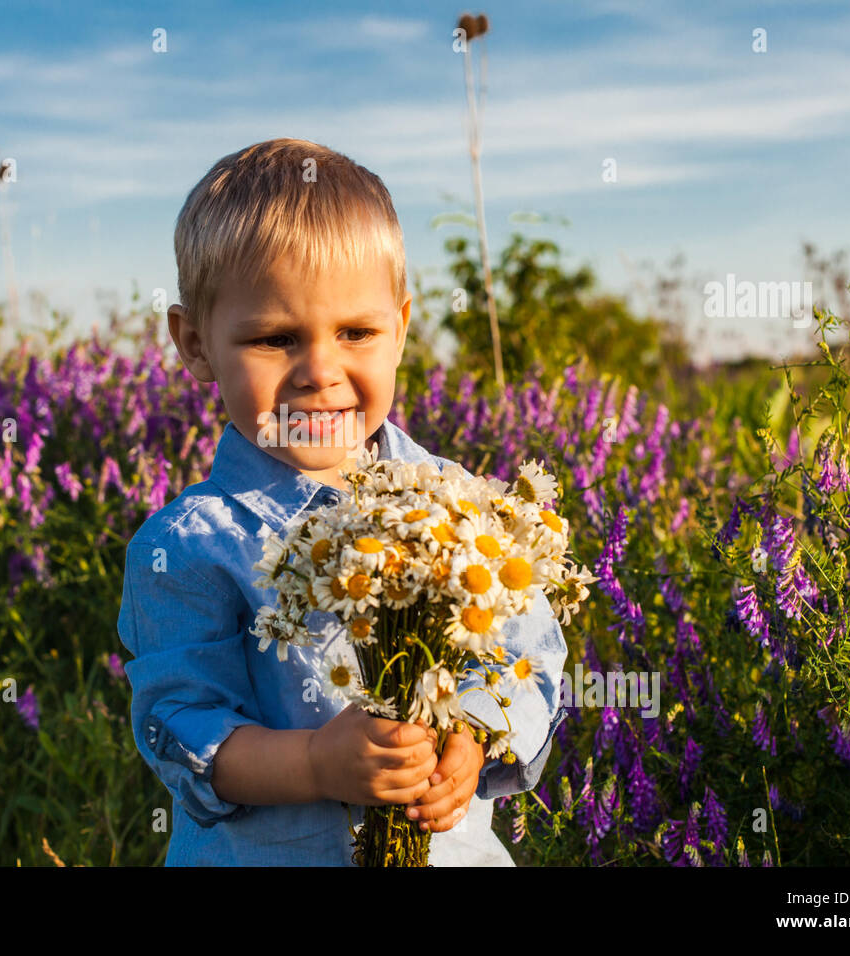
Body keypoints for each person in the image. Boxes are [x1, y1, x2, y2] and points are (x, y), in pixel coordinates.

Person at [117, 138, 568, 865]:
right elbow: (181, 727)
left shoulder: (461, 510)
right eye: (274, 339)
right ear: (196, 345)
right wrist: (315, 764)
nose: (320, 372)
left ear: (401, 328)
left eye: (356, 332)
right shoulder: (190, 546)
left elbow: (531, 663)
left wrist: (475, 737)